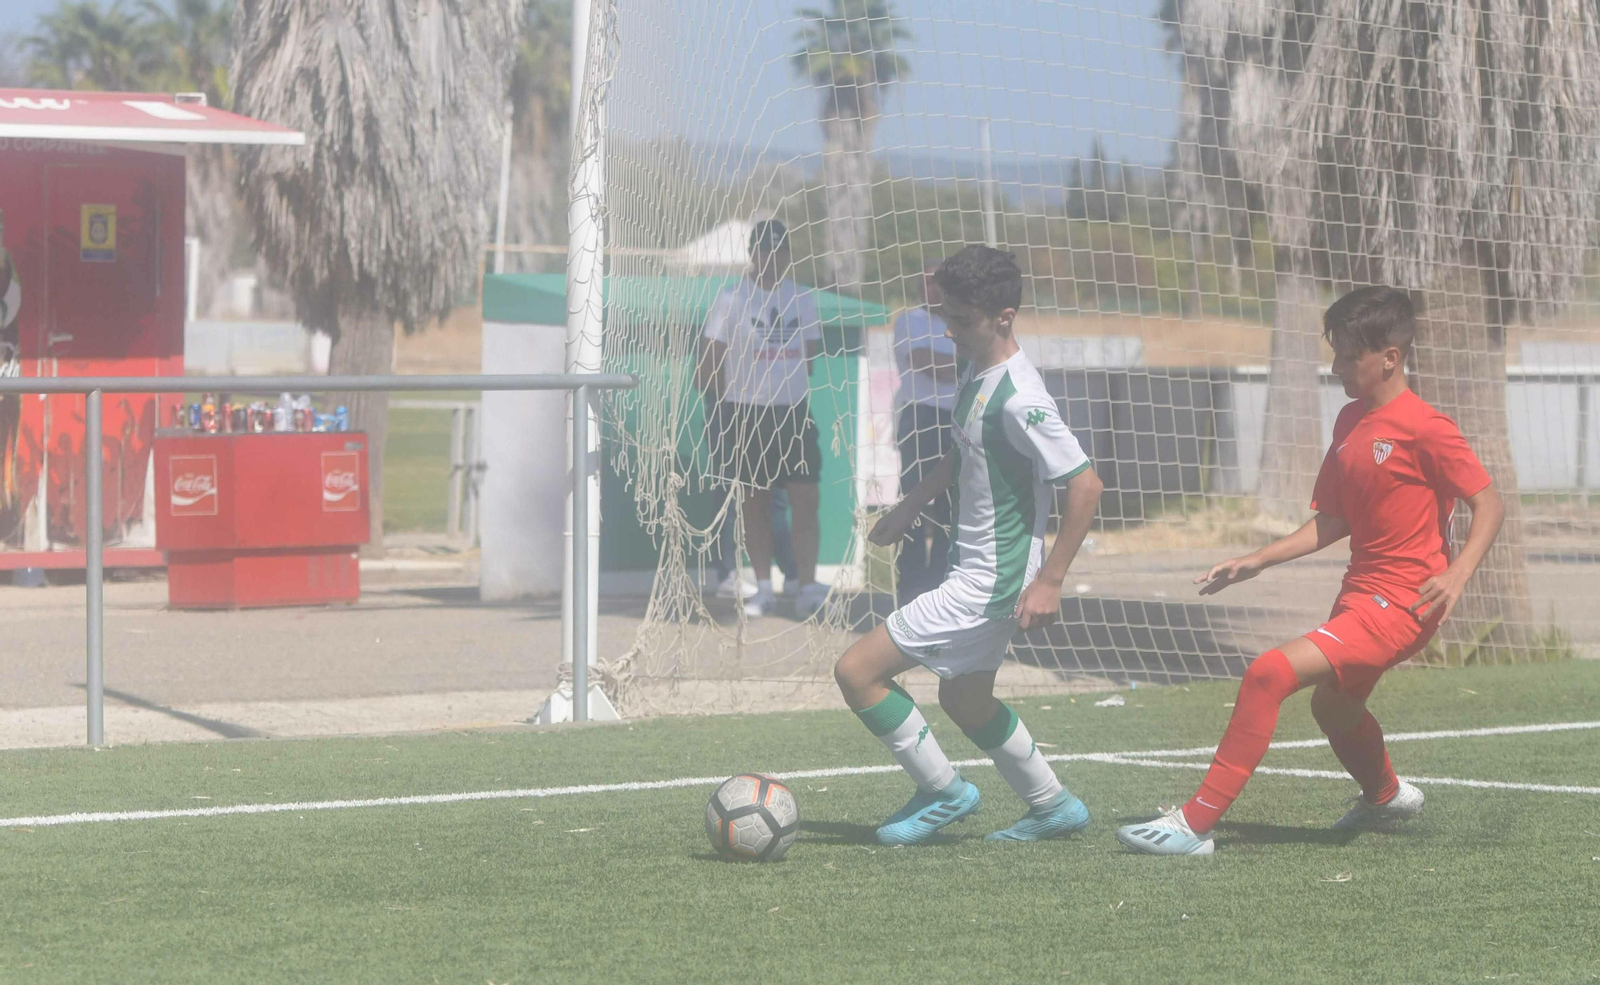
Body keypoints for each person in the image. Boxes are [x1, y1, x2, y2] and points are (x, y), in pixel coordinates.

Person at [1116, 286, 1504, 856]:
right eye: (1337, 353)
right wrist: (1258, 560)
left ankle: (1194, 825)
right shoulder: (1350, 420)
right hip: (1361, 595)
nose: (1337, 366)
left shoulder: (1427, 427)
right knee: (1333, 706)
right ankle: (1385, 795)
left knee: (1267, 674)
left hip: (1404, 604)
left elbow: (1490, 502)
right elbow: (1333, 520)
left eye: (1350, 356)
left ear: (1389, 359)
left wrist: (1459, 572)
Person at [833, 245, 1105, 844]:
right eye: (944, 317)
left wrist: (1051, 581)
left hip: (992, 581)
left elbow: (1085, 485)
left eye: (961, 321)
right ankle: (1054, 806)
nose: (948, 332)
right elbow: (962, 450)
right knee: (964, 696)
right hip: (981, 570)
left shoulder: (1022, 397)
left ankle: (943, 791)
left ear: (1003, 317)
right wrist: (909, 506)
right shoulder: (976, 372)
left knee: (856, 672)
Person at [696, 219, 830, 619]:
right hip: (745, 413)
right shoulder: (731, 298)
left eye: (780, 252)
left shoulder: (802, 298)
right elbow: (709, 358)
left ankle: (806, 586)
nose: (772, 259)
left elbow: (810, 358)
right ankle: (764, 588)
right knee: (753, 502)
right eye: (765, 251)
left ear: (788, 257)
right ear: (752, 255)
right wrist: (724, 408)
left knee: (805, 498)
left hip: (791, 412)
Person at [891, 260, 960, 605]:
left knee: (954, 505)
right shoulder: (910, 320)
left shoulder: (963, 322)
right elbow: (924, 361)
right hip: (921, 417)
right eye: (925, 282)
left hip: (960, 419)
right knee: (915, 503)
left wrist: (950, 366)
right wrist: (961, 364)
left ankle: (942, 584)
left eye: (936, 282)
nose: (929, 288)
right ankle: (912, 584)